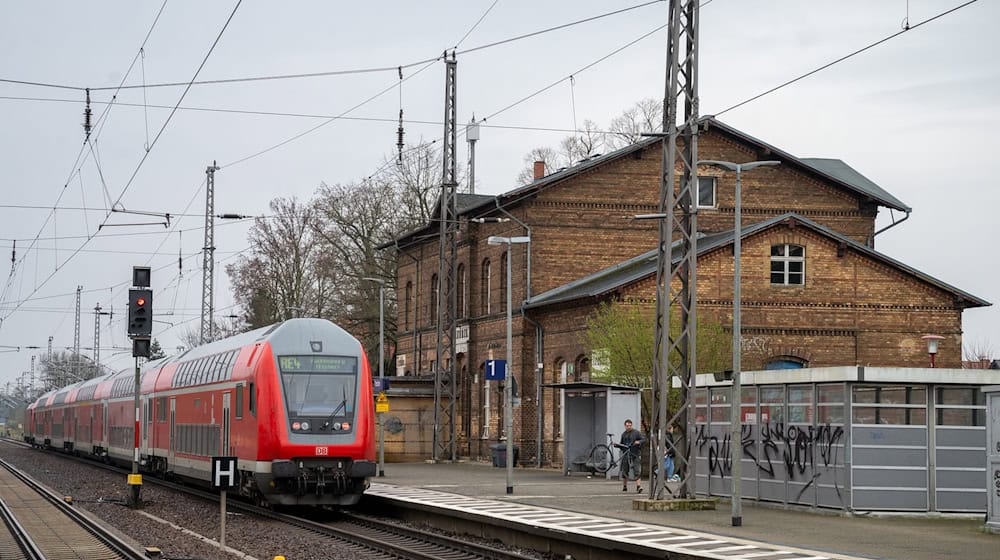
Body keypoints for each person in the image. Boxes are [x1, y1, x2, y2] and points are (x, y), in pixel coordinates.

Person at [618, 419, 645, 493]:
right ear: (625, 426)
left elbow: (644, 439)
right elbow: (622, 444)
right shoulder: (623, 434)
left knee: (637, 470)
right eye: (627, 426)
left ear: (631, 425)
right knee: (625, 470)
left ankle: (638, 486)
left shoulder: (636, 433)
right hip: (626, 454)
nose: (628, 427)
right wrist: (616, 445)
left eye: (630, 425)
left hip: (635, 453)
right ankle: (625, 486)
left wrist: (638, 442)